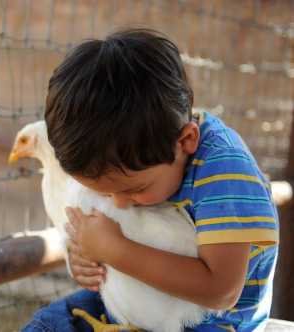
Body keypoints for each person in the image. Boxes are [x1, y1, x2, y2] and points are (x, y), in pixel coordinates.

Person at [21, 28, 279, 331]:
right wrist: (84, 259)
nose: (119, 203)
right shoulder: (151, 155)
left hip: (215, 323)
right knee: (47, 325)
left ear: (185, 141)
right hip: (144, 305)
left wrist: (114, 250)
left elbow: (221, 291)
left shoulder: (225, 173)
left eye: (134, 189)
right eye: (105, 194)